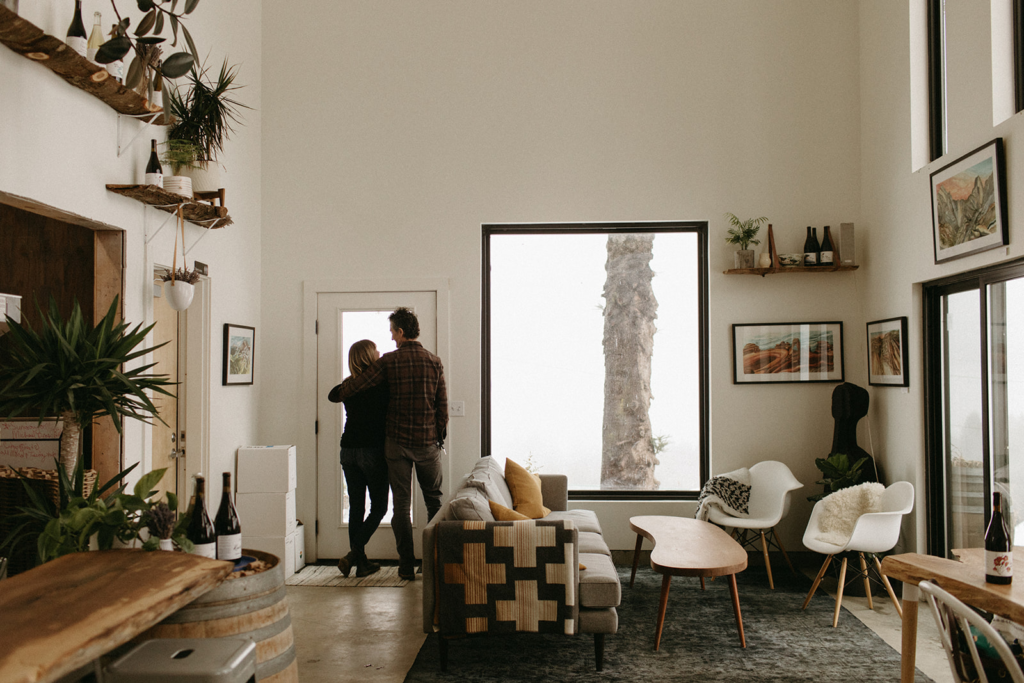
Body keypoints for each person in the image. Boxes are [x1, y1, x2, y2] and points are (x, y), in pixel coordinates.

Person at [329, 307, 447, 581]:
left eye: (392, 331)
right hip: (428, 443)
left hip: (396, 445)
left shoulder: (389, 362)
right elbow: (442, 408)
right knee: (434, 503)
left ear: (401, 331)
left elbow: (358, 385)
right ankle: (432, 564)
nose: (391, 337)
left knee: (401, 507)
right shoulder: (434, 361)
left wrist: (338, 393)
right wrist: (438, 437)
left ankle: (406, 565)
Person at [331, 339, 390, 578]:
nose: (379, 352)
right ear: (368, 356)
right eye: (375, 349)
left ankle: (361, 563)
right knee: (380, 507)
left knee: (356, 506)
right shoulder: (381, 385)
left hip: (348, 450)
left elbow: (332, 394)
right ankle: (354, 555)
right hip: (371, 451)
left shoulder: (348, 385)